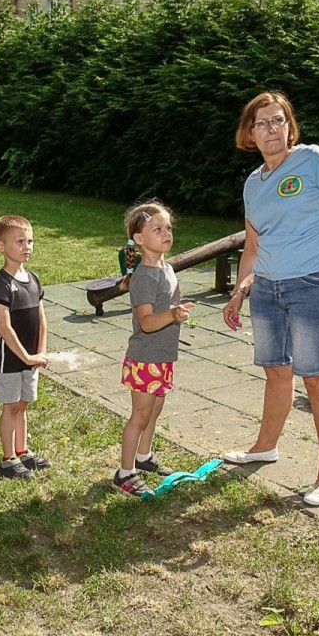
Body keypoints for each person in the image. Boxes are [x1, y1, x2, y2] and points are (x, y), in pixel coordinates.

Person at [221, 91, 319, 507]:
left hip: (316, 283)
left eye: (278, 121)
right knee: (276, 372)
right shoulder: (254, 183)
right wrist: (240, 289)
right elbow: (252, 246)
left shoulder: (311, 159)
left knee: (318, 377)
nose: (270, 129)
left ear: (290, 127)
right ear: (249, 134)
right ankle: (265, 446)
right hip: (269, 289)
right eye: (261, 123)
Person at [114, 201, 194, 497]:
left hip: (162, 356)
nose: (166, 233)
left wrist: (177, 311)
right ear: (139, 238)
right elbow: (147, 322)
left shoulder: (166, 267)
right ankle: (124, 473)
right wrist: (173, 315)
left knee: (156, 408)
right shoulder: (144, 276)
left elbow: (167, 306)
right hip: (146, 358)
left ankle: (143, 457)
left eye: (168, 228)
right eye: (157, 229)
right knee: (140, 415)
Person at [0, 214, 52, 479]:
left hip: (31, 357)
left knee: (23, 404)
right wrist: (25, 355)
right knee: (10, 405)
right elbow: (4, 327)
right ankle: (7, 458)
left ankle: (22, 450)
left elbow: (42, 319)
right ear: (1, 246)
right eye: (20, 241)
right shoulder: (2, 283)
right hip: (11, 358)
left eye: (30, 241)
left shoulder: (33, 279)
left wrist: (41, 352)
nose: (27, 246)